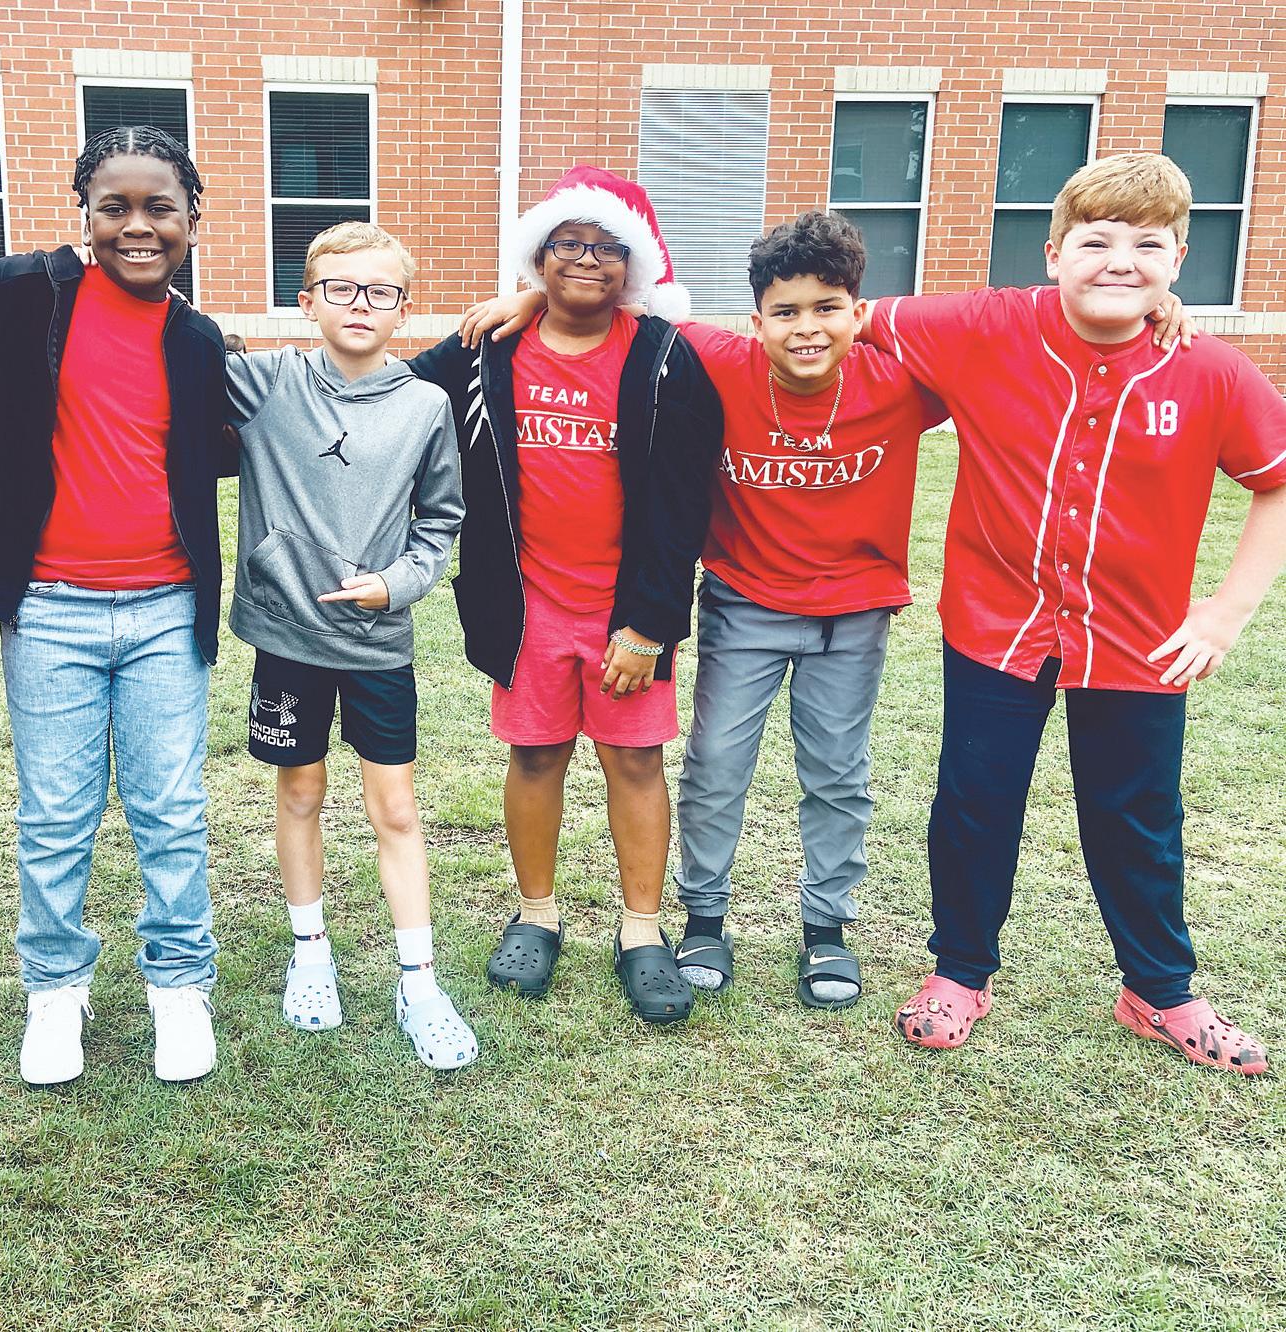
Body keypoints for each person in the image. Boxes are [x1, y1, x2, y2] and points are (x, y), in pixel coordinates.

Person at [458, 212, 948, 1011]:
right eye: (785, 312)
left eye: (829, 308)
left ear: (859, 312)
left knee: (835, 776)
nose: (806, 328)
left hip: (851, 612)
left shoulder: (900, 383)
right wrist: (534, 299)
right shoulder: (713, 359)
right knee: (711, 769)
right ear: (755, 322)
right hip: (740, 603)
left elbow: (994, 347)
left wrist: (1147, 310)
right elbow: (628, 307)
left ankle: (819, 926)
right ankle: (697, 920)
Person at [864, 154, 1286, 1073]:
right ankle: (960, 971)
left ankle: (1160, 991)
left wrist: (1224, 613)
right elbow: (843, 320)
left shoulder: (1208, 370)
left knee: (1138, 814)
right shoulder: (983, 324)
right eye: (1096, 242)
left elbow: (1278, 481)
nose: (1120, 262)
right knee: (974, 802)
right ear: (1053, 252)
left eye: (1148, 246)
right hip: (997, 624)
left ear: (1180, 260)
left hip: (1138, 638)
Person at [0, 126, 229, 1086]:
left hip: (165, 608)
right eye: (115, 207)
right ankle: (56, 988)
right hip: (50, 607)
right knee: (56, 815)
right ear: (86, 215)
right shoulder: (26, 293)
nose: (137, 227)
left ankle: (179, 985)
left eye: (159, 208)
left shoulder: (196, 339)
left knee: (170, 810)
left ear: (192, 221)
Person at [408, 166, 723, 1023]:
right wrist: (511, 306)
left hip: (625, 611)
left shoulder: (664, 359)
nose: (587, 259)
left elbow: (683, 508)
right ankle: (537, 915)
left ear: (634, 264)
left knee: (635, 761)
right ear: (537, 256)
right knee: (536, 755)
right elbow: (395, 396)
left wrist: (650, 625)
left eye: (607, 247)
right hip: (527, 607)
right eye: (567, 244)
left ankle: (642, 931)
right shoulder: (488, 351)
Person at [226, 221, 474, 1068]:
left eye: (380, 291)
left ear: (404, 308)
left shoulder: (426, 406)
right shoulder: (264, 383)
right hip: (288, 638)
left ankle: (419, 982)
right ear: (307, 302)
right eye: (340, 288)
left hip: (377, 643)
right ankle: (311, 954)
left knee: (394, 808)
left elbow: (441, 519)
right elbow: (167, 350)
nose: (359, 304)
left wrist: (395, 583)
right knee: (300, 792)